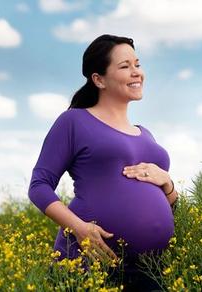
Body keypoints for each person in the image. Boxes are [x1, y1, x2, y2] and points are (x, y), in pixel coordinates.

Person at [28, 34, 178, 291]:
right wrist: (79, 229)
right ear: (98, 79)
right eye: (124, 66)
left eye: (137, 64)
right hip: (88, 262)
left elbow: (169, 207)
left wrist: (168, 184)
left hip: (148, 270)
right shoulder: (73, 121)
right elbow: (38, 186)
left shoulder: (146, 134)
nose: (136, 73)